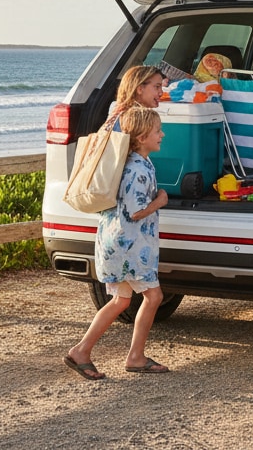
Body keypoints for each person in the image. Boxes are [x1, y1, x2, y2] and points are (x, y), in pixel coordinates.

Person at [64, 106, 172, 379]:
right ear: (142, 136)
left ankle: (82, 351)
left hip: (117, 243)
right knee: (153, 296)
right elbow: (136, 211)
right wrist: (160, 200)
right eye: (157, 131)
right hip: (130, 248)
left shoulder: (129, 163)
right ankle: (134, 356)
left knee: (121, 300)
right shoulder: (138, 170)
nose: (162, 135)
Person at [108, 65, 166, 131]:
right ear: (140, 89)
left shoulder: (117, 114)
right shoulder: (134, 119)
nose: (161, 93)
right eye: (157, 87)